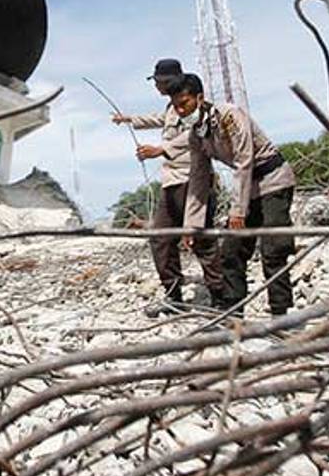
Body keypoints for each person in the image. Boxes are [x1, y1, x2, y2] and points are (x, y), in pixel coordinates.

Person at [170, 73, 297, 317]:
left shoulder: (229, 115)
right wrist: (191, 225)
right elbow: (198, 178)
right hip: (247, 189)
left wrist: (238, 209)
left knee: (273, 249)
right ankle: (234, 313)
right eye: (176, 107)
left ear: (199, 98)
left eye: (184, 103)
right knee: (231, 251)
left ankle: (281, 315)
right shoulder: (196, 134)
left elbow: (243, 160)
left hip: (272, 181)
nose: (181, 111)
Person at [112, 59, 221, 317]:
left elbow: (198, 130)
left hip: (194, 180)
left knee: (201, 239)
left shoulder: (196, 104)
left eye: (160, 81)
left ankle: (221, 299)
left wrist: (162, 149)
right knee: (160, 237)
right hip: (171, 182)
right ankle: (174, 298)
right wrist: (130, 119)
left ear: (173, 79)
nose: (157, 86)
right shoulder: (172, 107)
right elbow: (159, 119)